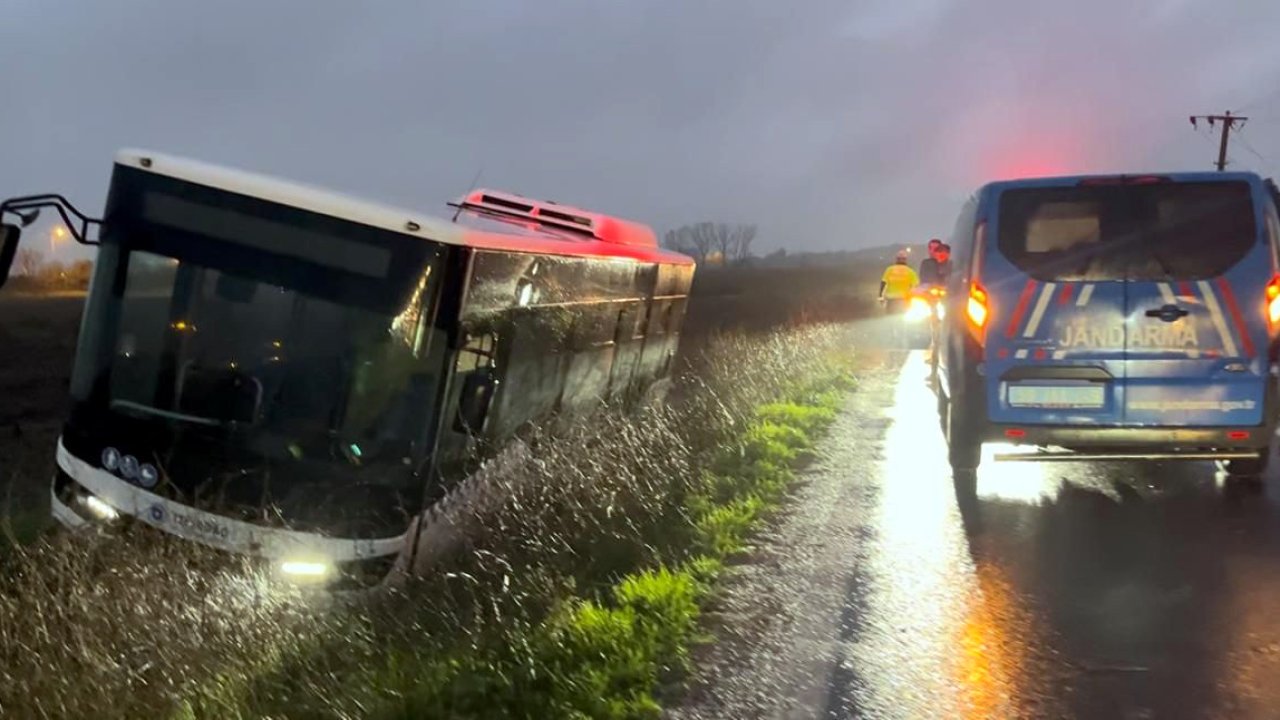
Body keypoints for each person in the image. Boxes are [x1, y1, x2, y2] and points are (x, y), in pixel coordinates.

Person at [879, 249, 919, 314]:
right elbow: (916, 287)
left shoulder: (889, 270)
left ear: (896, 259)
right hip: (905, 300)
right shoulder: (910, 272)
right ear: (905, 260)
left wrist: (880, 297)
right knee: (904, 320)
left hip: (891, 301)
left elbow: (883, 283)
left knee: (890, 319)